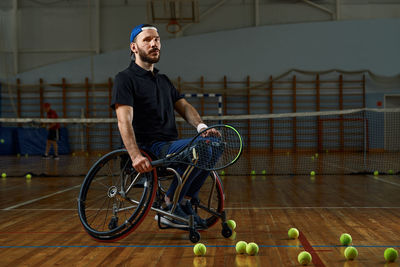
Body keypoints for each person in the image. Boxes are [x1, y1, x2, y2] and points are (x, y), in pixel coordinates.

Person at [111, 24, 215, 228]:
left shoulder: (163, 81)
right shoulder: (125, 79)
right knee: (203, 147)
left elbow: (184, 107)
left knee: (212, 142)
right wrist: (134, 156)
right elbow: (124, 120)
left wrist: (202, 127)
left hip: (168, 147)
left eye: (157, 39)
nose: (154, 43)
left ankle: (183, 203)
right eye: (147, 40)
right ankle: (170, 204)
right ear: (134, 47)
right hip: (148, 150)